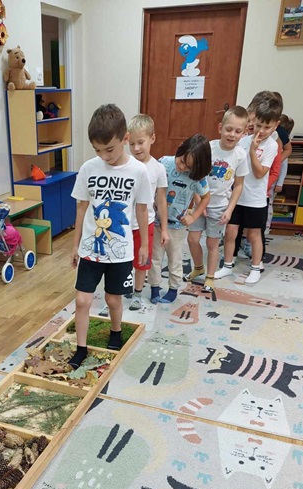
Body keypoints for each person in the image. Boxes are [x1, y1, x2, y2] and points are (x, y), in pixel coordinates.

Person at [69, 104, 151, 367]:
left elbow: (141, 210)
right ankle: (81, 348)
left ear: (125, 139)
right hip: (91, 248)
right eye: (97, 150)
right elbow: (81, 208)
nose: (104, 156)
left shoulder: (138, 171)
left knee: (113, 299)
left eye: (109, 149)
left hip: (121, 251)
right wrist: (75, 246)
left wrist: (144, 245)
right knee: (82, 299)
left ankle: (116, 331)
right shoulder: (88, 169)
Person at [215, 97, 281, 284]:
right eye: (258, 125)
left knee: (254, 234)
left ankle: (256, 267)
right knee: (230, 232)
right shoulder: (243, 140)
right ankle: (227, 265)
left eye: (267, 127)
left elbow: (260, 173)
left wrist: (253, 151)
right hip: (237, 197)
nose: (261, 131)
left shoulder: (271, 146)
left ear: (275, 126)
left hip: (256, 199)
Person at [185, 106, 248, 292]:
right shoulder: (208, 148)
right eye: (228, 129)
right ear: (220, 127)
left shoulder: (240, 155)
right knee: (192, 239)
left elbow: (238, 185)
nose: (232, 135)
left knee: (212, 243)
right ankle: (198, 268)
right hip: (200, 202)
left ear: (244, 133)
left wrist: (229, 209)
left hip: (220, 207)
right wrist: (198, 202)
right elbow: (194, 176)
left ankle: (210, 276)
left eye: (238, 131)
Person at [149, 134, 211, 304]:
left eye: (188, 166)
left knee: (174, 259)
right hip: (156, 221)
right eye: (182, 161)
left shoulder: (197, 177)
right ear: (180, 148)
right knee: (154, 258)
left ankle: (173, 288)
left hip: (177, 226)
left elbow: (206, 197)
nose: (182, 167)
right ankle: (154, 287)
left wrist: (193, 216)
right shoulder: (164, 163)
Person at [126, 114, 169, 310]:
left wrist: (165, 229)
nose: (136, 148)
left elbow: (161, 200)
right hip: (123, 223)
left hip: (145, 224)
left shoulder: (158, 169)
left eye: (140, 142)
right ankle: (122, 287)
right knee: (122, 259)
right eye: (131, 143)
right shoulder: (125, 165)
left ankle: (137, 293)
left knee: (142, 261)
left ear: (152, 139)